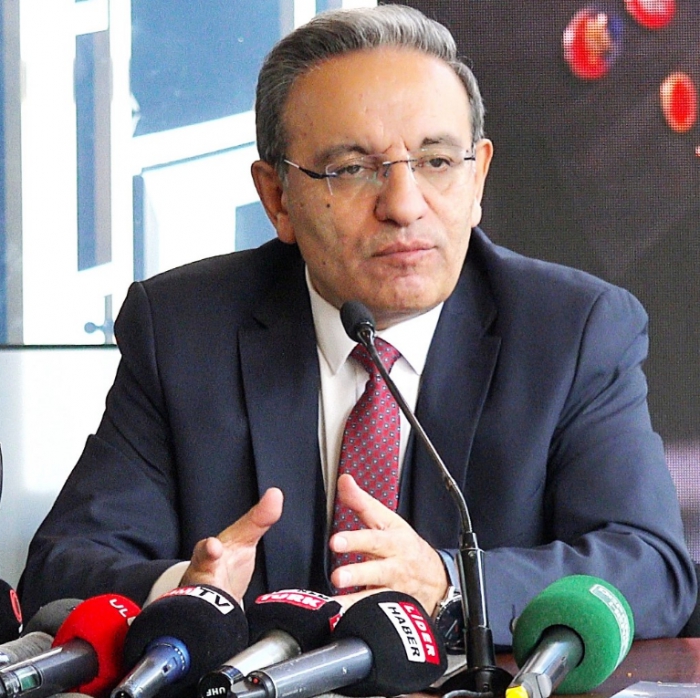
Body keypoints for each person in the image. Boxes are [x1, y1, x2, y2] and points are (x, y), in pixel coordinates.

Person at [18, 5, 695, 646]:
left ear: (478, 178)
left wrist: (453, 587)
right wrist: (188, 593)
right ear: (277, 198)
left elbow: (652, 569)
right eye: (351, 170)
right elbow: (61, 566)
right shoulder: (184, 330)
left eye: (436, 162)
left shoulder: (573, 331)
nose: (404, 205)